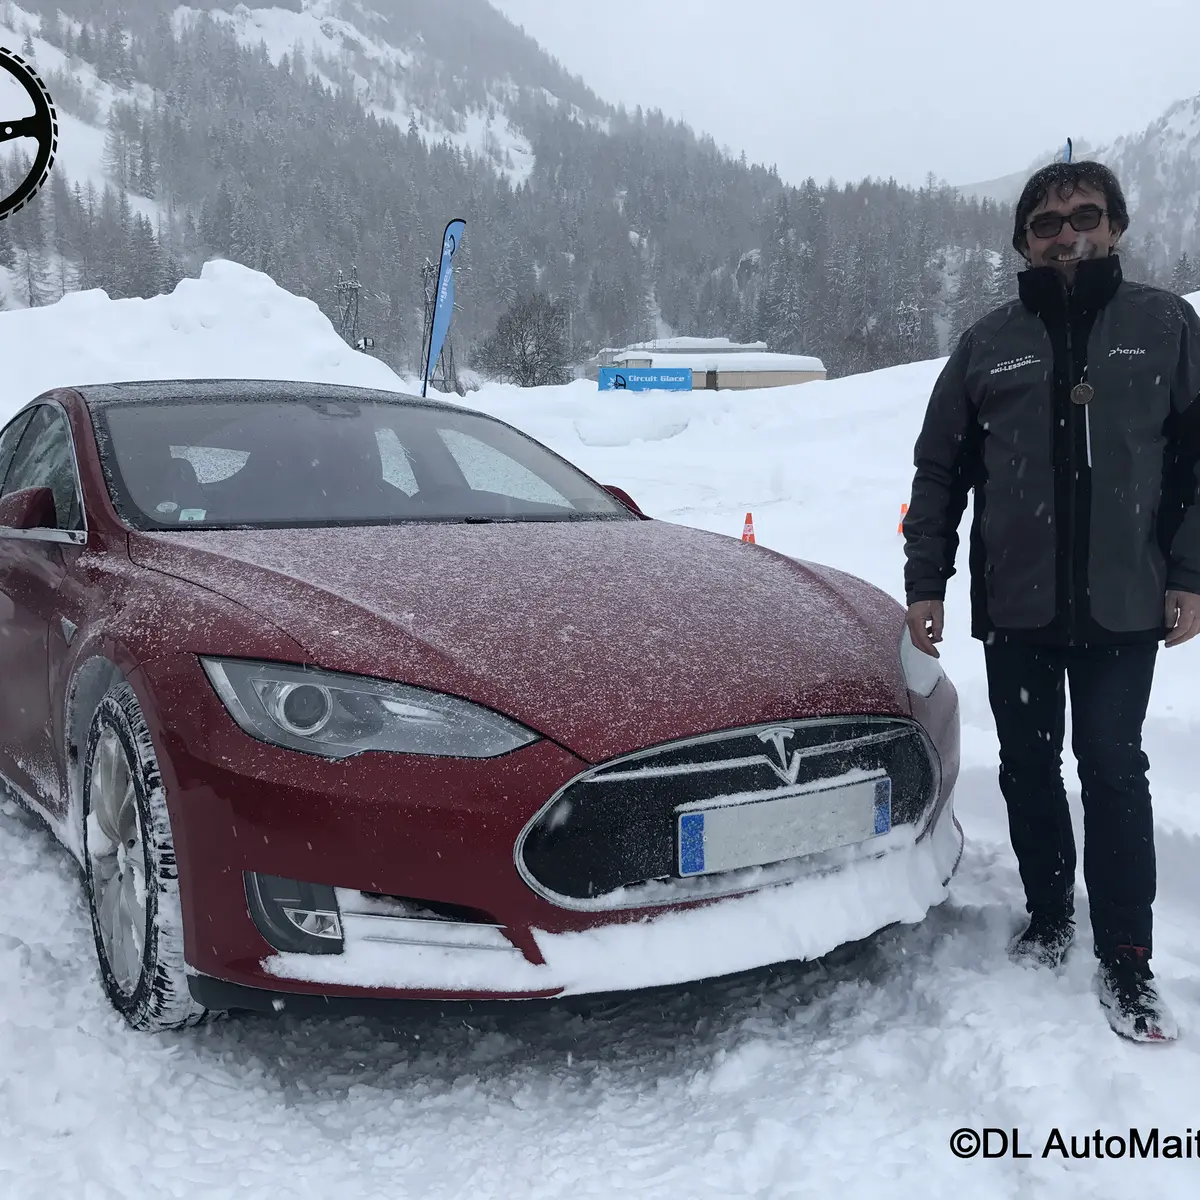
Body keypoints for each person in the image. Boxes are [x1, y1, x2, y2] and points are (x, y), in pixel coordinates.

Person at [902, 160, 1200, 1043]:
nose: (1067, 232)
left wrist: (1189, 575)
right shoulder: (989, 341)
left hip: (1123, 607)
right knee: (1030, 768)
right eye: (1047, 222)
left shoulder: (1165, 326)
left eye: (1086, 215)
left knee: (1113, 768)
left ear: (1115, 226)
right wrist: (928, 582)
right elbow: (939, 470)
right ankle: (1049, 914)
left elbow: (1195, 465)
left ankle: (1127, 958)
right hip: (1019, 609)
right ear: (1022, 241)